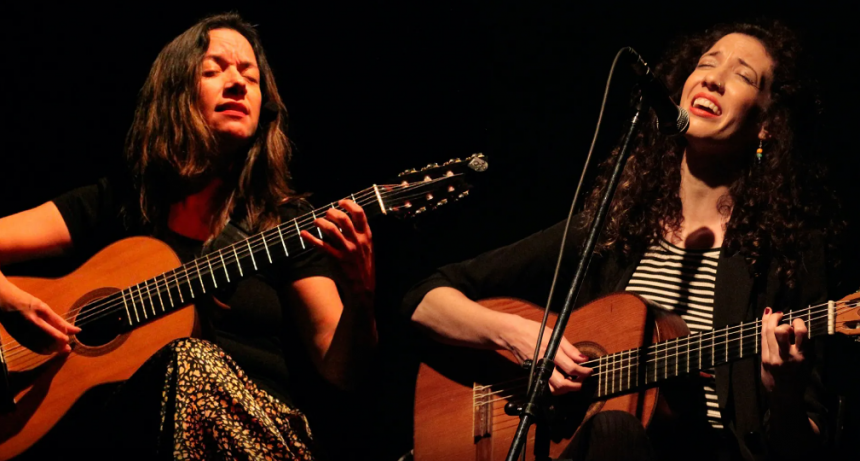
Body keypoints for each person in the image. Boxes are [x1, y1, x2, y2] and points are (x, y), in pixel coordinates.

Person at [404, 21, 841, 461]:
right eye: (707, 63)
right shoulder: (616, 226)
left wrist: (784, 394)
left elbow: (806, 446)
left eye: (743, 75)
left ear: (767, 125)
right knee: (611, 429)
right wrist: (522, 334)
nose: (713, 78)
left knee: (616, 428)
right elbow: (423, 300)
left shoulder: (789, 252)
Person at [0, 13, 376, 460]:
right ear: (175, 92)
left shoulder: (286, 224)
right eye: (213, 70)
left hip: (261, 435)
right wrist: (9, 300)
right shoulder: (119, 203)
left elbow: (342, 372)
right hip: (126, 435)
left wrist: (361, 293)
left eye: (250, 77)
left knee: (190, 359)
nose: (236, 84)